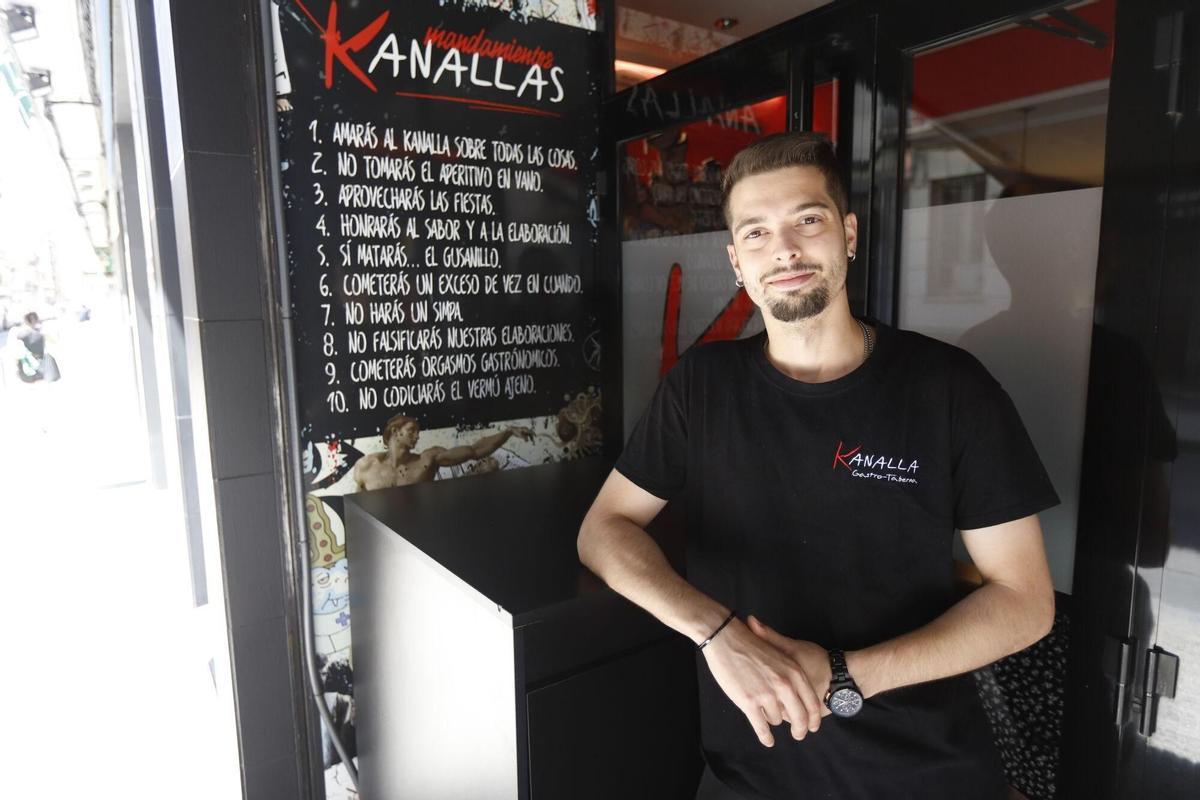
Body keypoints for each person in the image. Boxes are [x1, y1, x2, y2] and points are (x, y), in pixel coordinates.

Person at [577, 132, 1059, 800]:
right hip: (748, 773)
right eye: (756, 233)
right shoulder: (701, 386)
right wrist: (715, 634)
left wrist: (844, 676)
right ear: (736, 263)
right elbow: (604, 529)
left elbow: (1025, 602)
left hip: (920, 773)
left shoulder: (950, 387)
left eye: (808, 220)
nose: (785, 250)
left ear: (849, 235)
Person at [352, 413, 533, 490]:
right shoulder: (366, 467)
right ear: (395, 432)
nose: (417, 436)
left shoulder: (427, 460)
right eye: (411, 430)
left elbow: (475, 450)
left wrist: (508, 432)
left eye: (418, 432)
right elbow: (357, 509)